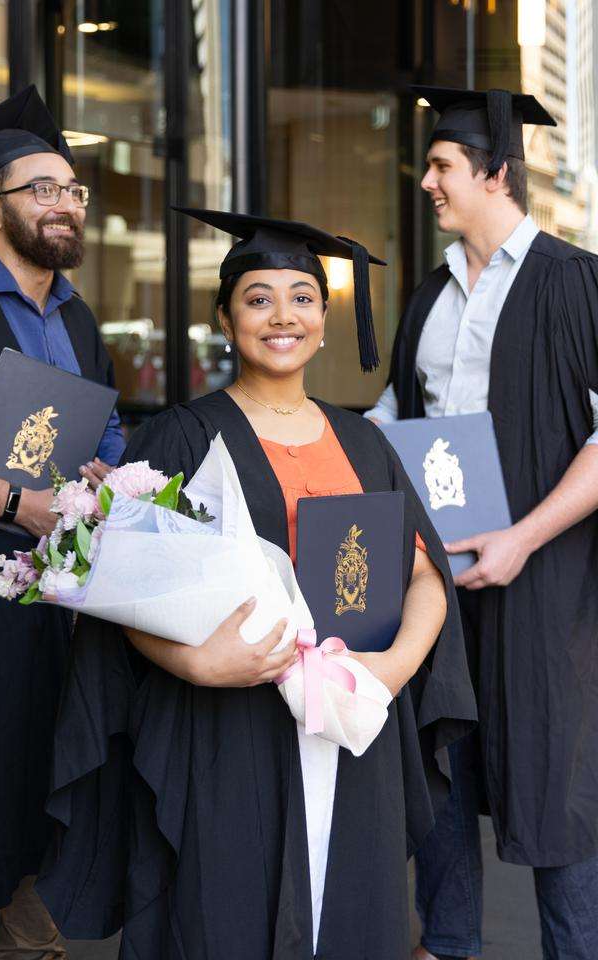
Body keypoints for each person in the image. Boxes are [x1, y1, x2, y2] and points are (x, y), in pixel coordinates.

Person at [36, 208, 476, 959]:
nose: (284, 316)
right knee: (224, 916)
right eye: (259, 297)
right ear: (226, 318)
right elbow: (125, 596)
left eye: (303, 297)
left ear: (326, 319)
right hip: (227, 732)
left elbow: (426, 578)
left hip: (350, 726)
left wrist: (392, 671)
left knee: (350, 921)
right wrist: (197, 664)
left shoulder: (366, 439)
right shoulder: (180, 435)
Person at [366, 86, 598, 960]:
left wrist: (523, 537)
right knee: (443, 766)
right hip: (437, 581)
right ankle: (449, 944)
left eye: (442, 166)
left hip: (547, 587)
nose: (426, 180)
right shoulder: (429, 298)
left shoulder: (575, 283)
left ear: (495, 173)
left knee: (556, 776)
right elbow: (393, 416)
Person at [0, 87, 125, 959]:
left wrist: (106, 475)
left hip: (58, 605)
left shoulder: (79, 316)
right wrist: (22, 504)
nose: (66, 204)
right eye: (43, 190)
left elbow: (105, 433)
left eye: (74, 190)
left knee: (41, 779)